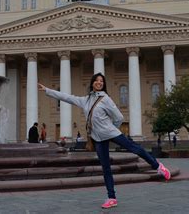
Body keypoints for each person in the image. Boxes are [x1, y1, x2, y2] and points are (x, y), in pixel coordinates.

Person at [38, 72, 171, 209]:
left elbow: (119, 117)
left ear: (103, 84)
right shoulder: (86, 100)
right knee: (106, 168)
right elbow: (67, 98)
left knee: (135, 148)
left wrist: (111, 129)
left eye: (101, 81)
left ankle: (158, 167)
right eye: (96, 80)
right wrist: (48, 90)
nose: (99, 82)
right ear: (92, 83)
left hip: (111, 133)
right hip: (97, 138)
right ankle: (112, 198)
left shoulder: (105, 99)